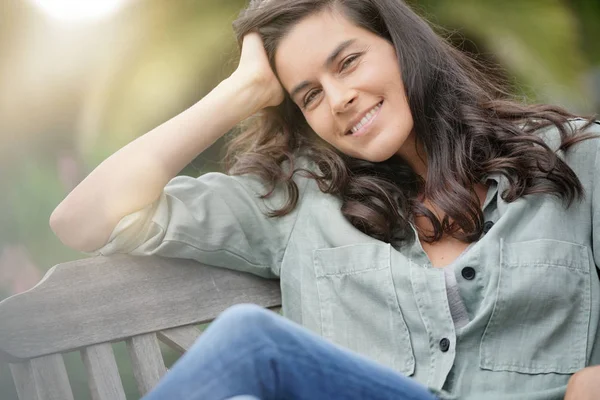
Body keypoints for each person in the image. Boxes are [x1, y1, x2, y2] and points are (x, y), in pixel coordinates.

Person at [50, 0, 600, 399]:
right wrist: (242, 91)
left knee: (250, 341)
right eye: (308, 94)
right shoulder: (299, 203)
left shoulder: (573, 160)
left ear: (401, 46)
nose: (338, 100)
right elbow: (82, 219)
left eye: (348, 62)